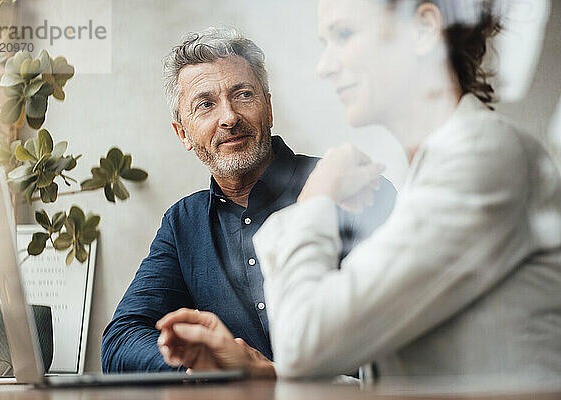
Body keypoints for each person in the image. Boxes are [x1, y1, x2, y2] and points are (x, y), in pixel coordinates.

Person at [157, 0, 561, 382]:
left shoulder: (480, 160)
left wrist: (315, 199)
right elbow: (403, 377)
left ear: (423, 28)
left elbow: (303, 343)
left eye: (345, 34)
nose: (324, 66)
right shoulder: (439, 170)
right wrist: (265, 374)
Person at [101, 27, 396, 373]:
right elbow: (120, 341)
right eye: (205, 104)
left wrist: (267, 376)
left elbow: (394, 344)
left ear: (269, 109)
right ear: (183, 133)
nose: (228, 117)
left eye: (242, 95)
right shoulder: (184, 223)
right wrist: (200, 368)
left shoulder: (347, 184)